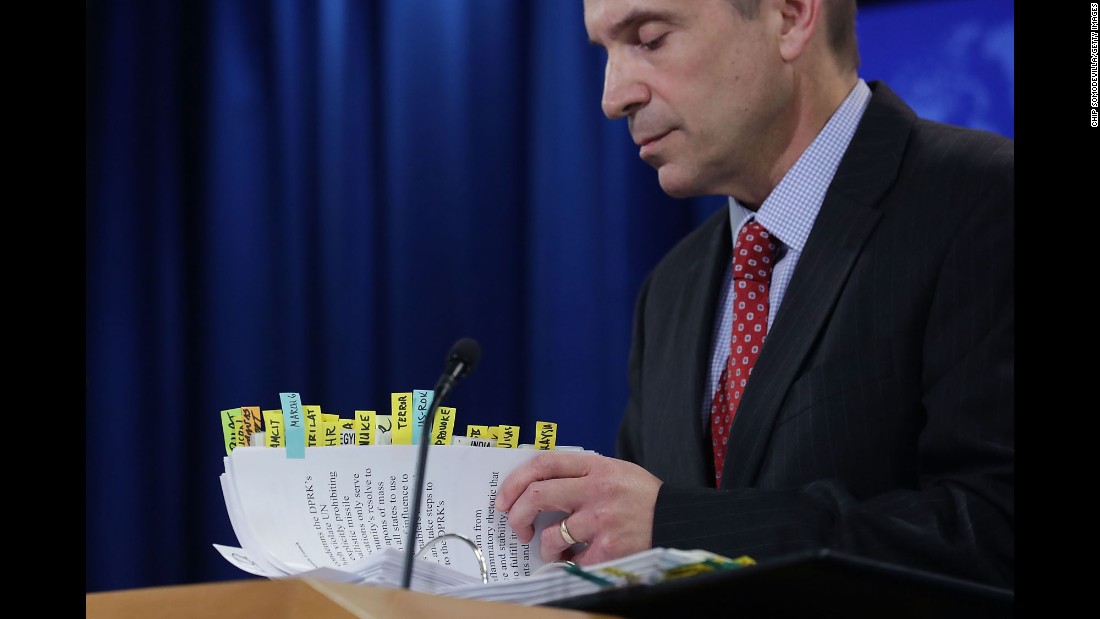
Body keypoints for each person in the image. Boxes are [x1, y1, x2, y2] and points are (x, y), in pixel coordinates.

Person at [497, 0, 1013, 590]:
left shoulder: (984, 201)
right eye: (605, 53)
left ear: (791, 17)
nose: (614, 98)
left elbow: (995, 531)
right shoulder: (671, 289)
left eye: (649, 38)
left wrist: (683, 525)